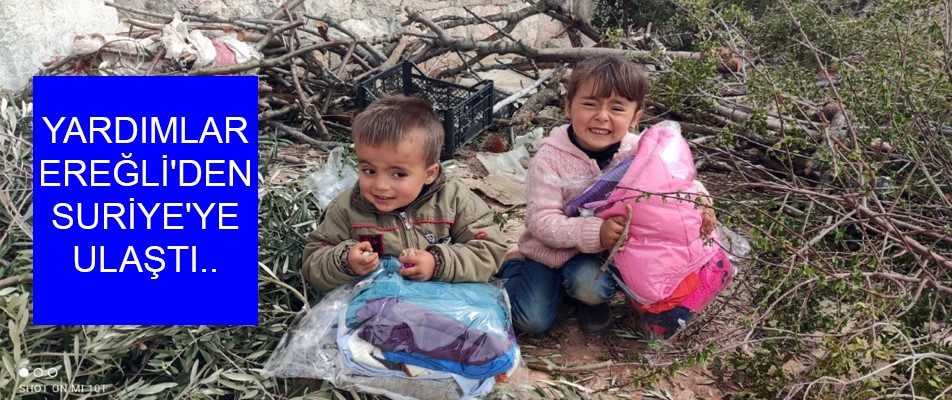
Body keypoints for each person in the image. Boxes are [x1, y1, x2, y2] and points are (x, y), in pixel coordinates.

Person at [497, 54, 721, 336]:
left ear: (635, 117)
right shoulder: (549, 158)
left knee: (590, 286)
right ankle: (515, 264)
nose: (602, 116)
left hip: (602, 255)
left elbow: (676, 181)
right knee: (531, 322)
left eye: (616, 108)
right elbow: (541, 221)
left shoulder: (639, 151)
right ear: (568, 107)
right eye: (590, 104)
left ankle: (586, 298)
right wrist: (597, 232)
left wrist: (701, 201)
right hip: (548, 251)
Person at [302, 95, 509, 293]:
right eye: (369, 171)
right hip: (375, 304)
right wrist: (345, 261)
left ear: (429, 174)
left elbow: (489, 251)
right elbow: (313, 263)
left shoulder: (454, 200)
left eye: (398, 174)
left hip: (447, 304)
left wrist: (437, 263)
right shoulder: (347, 209)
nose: (381, 186)